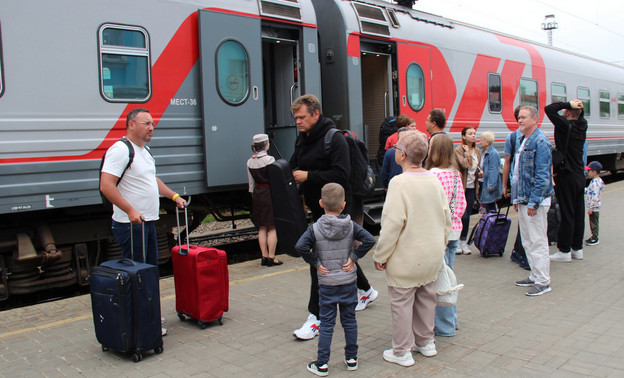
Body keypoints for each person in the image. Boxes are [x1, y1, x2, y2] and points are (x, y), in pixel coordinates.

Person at [289, 94, 378, 340]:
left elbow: (341, 174)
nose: (298, 122)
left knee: (321, 260)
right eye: (295, 117)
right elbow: (294, 164)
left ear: (316, 114)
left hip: (337, 210)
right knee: (335, 257)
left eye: (302, 117)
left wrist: (308, 176)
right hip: (317, 208)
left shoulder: (334, 139)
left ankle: (316, 317)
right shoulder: (303, 138)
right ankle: (367, 291)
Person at [100, 108, 187, 336]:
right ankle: (142, 322)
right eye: (146, 123)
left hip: (146, 223)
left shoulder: (144, 151)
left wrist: (174, 197)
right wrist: (129, 210)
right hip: (131, 225)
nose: (151, 128)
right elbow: (106, 185)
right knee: (137, 274)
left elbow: (152, 180)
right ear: (131, 124)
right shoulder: (120, 150)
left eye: (152, 124)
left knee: (148, 270)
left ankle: (149, 314)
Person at [374, 130, 451, 367]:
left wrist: (381, 255)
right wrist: (441, 244)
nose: (395, 150)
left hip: (406, 258)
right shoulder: (433, 180)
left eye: (397, 148)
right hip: (432, 255)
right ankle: (426, 342)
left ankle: (401, 351)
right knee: (427, 298)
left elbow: (392, 225)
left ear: (403, 156)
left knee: (402, 303)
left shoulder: (398, 183)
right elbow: (446, 218)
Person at [296, 183, 376, 376]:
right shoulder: (351, 226)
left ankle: (322, 363)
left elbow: (300, 247)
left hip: (327, 284)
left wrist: (316, 263)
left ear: (321, 203)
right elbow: (370, 240)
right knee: (349, 321)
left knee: (327, 324)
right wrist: (353, 259)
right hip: (348, 282)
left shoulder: (314, 229)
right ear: (343, 205)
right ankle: (351, 359)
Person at [425, 134, 466, 337]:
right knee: (448, 277)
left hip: (438, 234)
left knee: (440, 281)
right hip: (454, 231)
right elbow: (462, 204)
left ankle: (445, 325)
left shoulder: (433, 174)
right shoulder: (456, 174)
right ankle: (453, 320)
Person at [512, 106, 554, 296]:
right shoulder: (523, 139)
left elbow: (542, 176)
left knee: (538, 241)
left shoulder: (540, 141)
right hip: (524, 199)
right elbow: (518, 173)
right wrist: (516, 198)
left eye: (524, 117)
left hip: (534, 201)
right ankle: (535, 275)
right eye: (519, 117)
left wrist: (534, 202)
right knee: (528, 240)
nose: (520, 120)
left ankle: (544, 281)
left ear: (534, 120)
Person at [545, 99, 588, 262]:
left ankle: (564, 251)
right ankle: (577, 249)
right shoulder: (583, 125)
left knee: (567, 213)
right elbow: (579, 116)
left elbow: (549, 109)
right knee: (578, 213)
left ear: (568, 112)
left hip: (567, 175)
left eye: (565, 110)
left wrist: (567, 103)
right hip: (579, 174)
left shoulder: (564, 125)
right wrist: (576, 107)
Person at [246, 133, 281, 266]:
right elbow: (275, 180)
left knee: (262, 227)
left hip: (257, 194)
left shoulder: (250, 161)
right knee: (272, 226)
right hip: (269, 193)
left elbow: (251, 184)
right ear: (266, 144)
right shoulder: (270, 160)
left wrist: (254, 196)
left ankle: (264, 256)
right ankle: (272, 258)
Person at [504, 106, 530, 270]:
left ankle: (517, 251)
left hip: (528, 184)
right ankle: (521, 253)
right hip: (518, 184)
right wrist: (504, 184)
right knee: (524, 220)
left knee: (525, 221)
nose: (521, 120)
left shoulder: (536, 137)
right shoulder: (512, 138)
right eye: (520, 117)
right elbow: (507, 162)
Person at [454, 126, 481, 255]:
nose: (473, 136)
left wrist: (480, 172)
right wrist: (468, 153)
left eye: (474, 133)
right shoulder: (459, 150)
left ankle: (463, 242)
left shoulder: (478, 151)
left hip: (471, 187)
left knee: (468, 215)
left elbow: (476, 167)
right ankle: (457, 241)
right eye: (470, 133)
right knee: (461, 215)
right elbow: (464, 164)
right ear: (463, 136)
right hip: (461, 187)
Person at [478, 131, 502, 213]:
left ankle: (493, 224)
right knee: (486, 207)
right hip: (483, 182)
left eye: (481, 140)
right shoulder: (482, 152)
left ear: (487, 142)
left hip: (488, 184)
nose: (479, 142)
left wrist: (491, 186)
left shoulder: (493, 154)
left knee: (490, 208)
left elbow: (493, 171)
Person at [584, 161, 605, 246]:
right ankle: (594, 236)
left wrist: (590, 208)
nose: (587, 172)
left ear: (594, 171)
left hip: (594, 207)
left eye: (589, 170)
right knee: (593, 221)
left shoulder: (595, 183)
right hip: (595, 206)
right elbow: (590, 191)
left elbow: (594, 196)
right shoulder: (598, 181)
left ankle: (595, 237)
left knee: (593, 222)